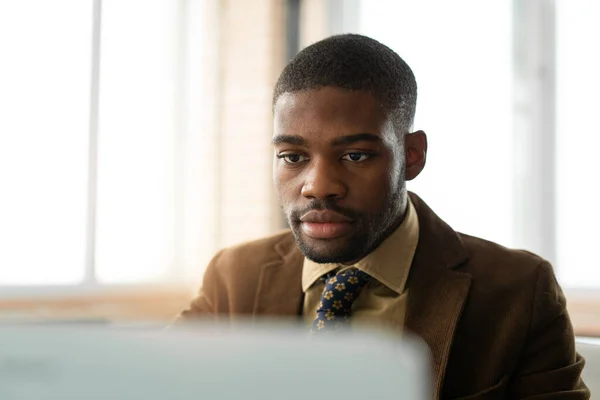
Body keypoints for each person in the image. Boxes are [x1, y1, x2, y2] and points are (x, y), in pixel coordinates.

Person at [177, 34, 589, 399]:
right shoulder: (234, 278)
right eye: (293, 157)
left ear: (412, 155)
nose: (318, 186)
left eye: (355, 155)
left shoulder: (517, 291)